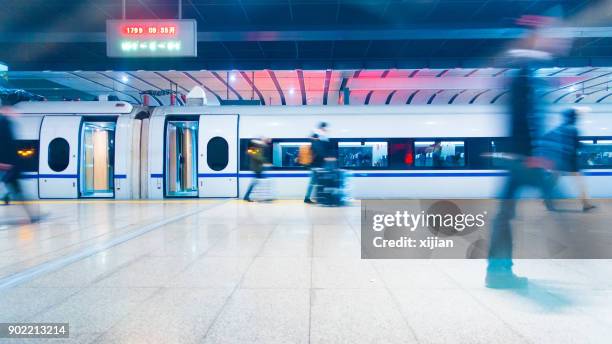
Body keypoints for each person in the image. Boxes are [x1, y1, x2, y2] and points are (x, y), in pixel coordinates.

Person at [486, 64, 556, 289]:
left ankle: (498, 270)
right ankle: (498, 271)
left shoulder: (521, 79)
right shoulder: (525, 80)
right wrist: (532, 154)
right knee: (505, 216)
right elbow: (524, 121)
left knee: (504, 216)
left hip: (518, 158)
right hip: (521, 159)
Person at [544, 108, 596, 211]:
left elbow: (548, 138)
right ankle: (585, 204)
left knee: (554, 180)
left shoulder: (559, 128)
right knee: (579, 181)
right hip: (570, 160)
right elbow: (576, 145)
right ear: (573, 118)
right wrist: (586, 147)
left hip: (558, 159)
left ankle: (546, 198)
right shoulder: (573, 129)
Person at [0, 113, 38, 223]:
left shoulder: (4, 122)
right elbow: (8, 145)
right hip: (8, 167)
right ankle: (31, 215)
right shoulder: (4, 123)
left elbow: (7, 146)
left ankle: (31, 215)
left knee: (18, 192)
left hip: (7, 167)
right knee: (18, 192)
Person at [304, 122, 332, 204]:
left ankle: (313, 198)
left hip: (318, 165)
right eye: (325, 128)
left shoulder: (319, 139)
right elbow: (320, 152)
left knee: (316, 182)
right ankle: (309, 198)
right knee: (315, 182)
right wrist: (326, 157)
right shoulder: (318, 139)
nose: (326, 130)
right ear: (322, 128)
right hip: (317, 165)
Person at [243, 138, 271, 202]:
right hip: (256, 168)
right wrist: (265, 161)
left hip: (258, 168)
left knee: (256, 182)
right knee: (260, 182)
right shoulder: (253, 149)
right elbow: (258, 157)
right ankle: (262, 197)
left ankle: (248, 196)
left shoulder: (256, 149)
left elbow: (258, 155)